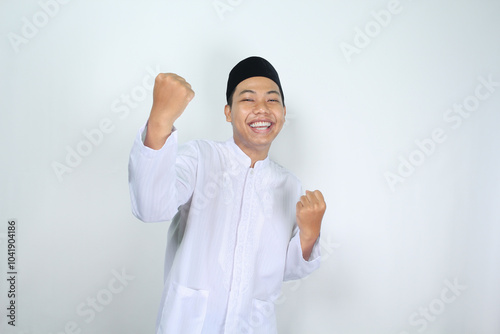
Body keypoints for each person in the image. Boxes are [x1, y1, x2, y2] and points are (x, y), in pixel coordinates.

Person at [128, 56, 326, 334]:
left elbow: (285, 270)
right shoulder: (200, 157)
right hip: (189, 325)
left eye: (272, 100)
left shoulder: (289, 185)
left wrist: (309, 235)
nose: (262, 109)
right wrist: (160, 120)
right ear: (228, 112)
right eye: (247, 100)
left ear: (283, 112)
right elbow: (150, 207)